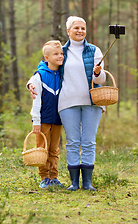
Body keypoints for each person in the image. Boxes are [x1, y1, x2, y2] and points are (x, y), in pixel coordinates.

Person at [28, 16, 106, 191]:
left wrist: (98, 73)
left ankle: (87, 182)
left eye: (83, 28)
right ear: (68, 31)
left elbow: (101, 78)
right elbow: (44, 68)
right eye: (76, 28)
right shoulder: (61, 52)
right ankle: (73, 183)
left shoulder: (94, 51)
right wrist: (30, 83)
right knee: (72, 142)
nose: (80, 31)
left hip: (92, 102)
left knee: (88, 141)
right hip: (67, 103)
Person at [29, 40, 64, 188]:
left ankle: (53, 176)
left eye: (61, 53)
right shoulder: (40, 76)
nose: (60, 56)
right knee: (42, 148)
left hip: (58, 118)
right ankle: (44, 177)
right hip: (43, 119)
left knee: (54, 149)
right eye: (56, 54)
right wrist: (36, 121)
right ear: (46, 58)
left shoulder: (63, 73)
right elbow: (36, 100)